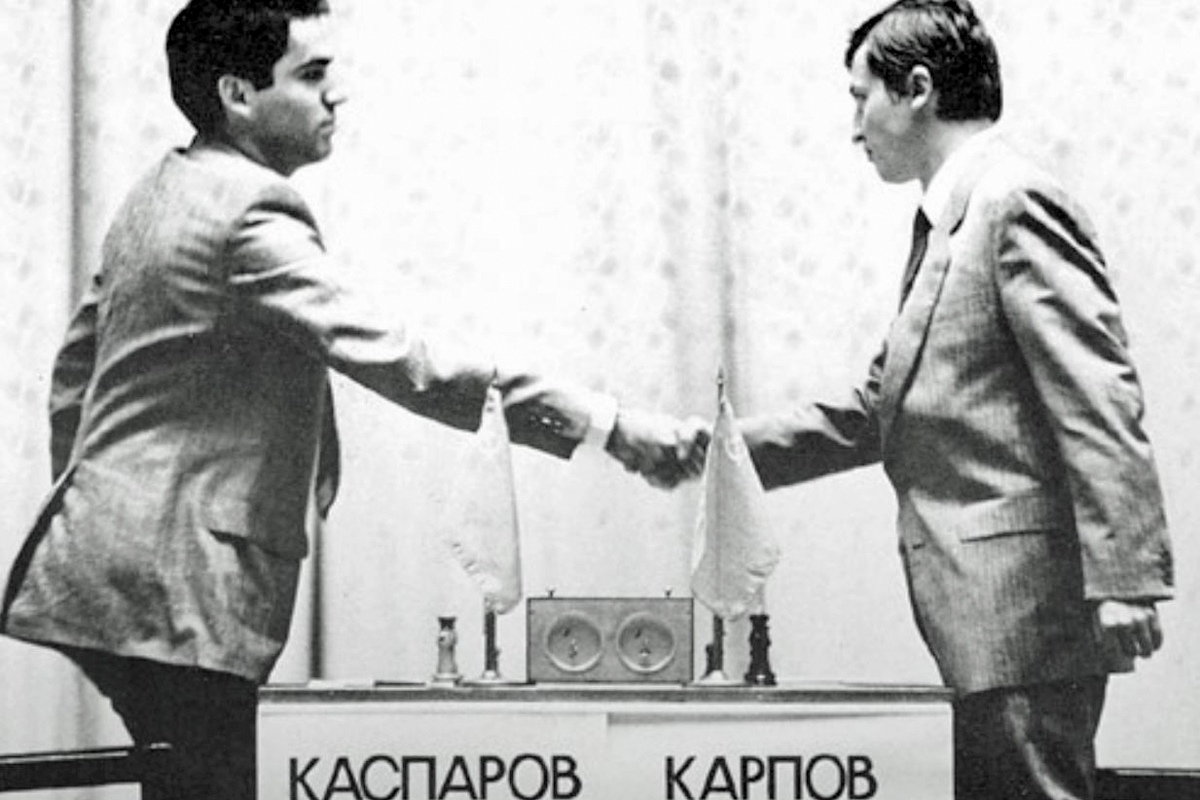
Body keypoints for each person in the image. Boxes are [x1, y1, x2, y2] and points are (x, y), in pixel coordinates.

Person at [0, 1, 705, 798]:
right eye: (310, 75)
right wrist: (609, 425)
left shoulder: (163, 188)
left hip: (122, 573)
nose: (337, 94)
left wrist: (101, 514)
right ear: (238, 94)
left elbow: (74, 376)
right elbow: (412, 365)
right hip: (172, 584)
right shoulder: (246, 209)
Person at [738, 2, 1174, 798]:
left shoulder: (1013, 202)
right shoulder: (951, 223)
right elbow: (876, 409)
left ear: (917, 89)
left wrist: (1125, 582)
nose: (854, 127)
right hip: (991, 625)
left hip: (1024, 623)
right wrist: (716, 458)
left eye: (860, 97)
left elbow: (1098, 395)